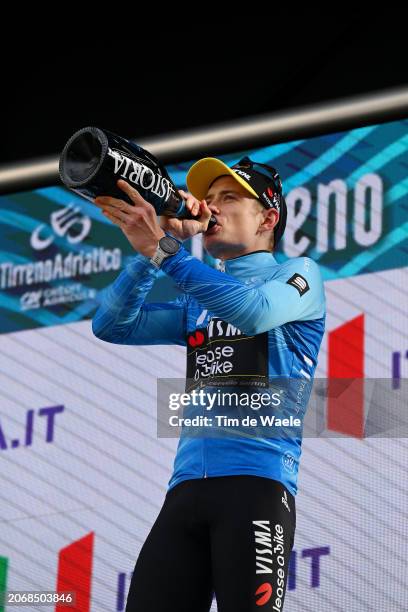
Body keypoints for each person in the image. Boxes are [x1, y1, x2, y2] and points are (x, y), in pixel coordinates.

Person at [92, 155, 326, 611]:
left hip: (256, 486)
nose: (212, 208)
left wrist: (166, 252)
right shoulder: (194, 296)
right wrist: (149, 255)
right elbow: (111, 325)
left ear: (268, 217)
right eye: (210, 198)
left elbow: (254, 311)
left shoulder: (298, 275)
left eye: (231, 198)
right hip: (184, 493)